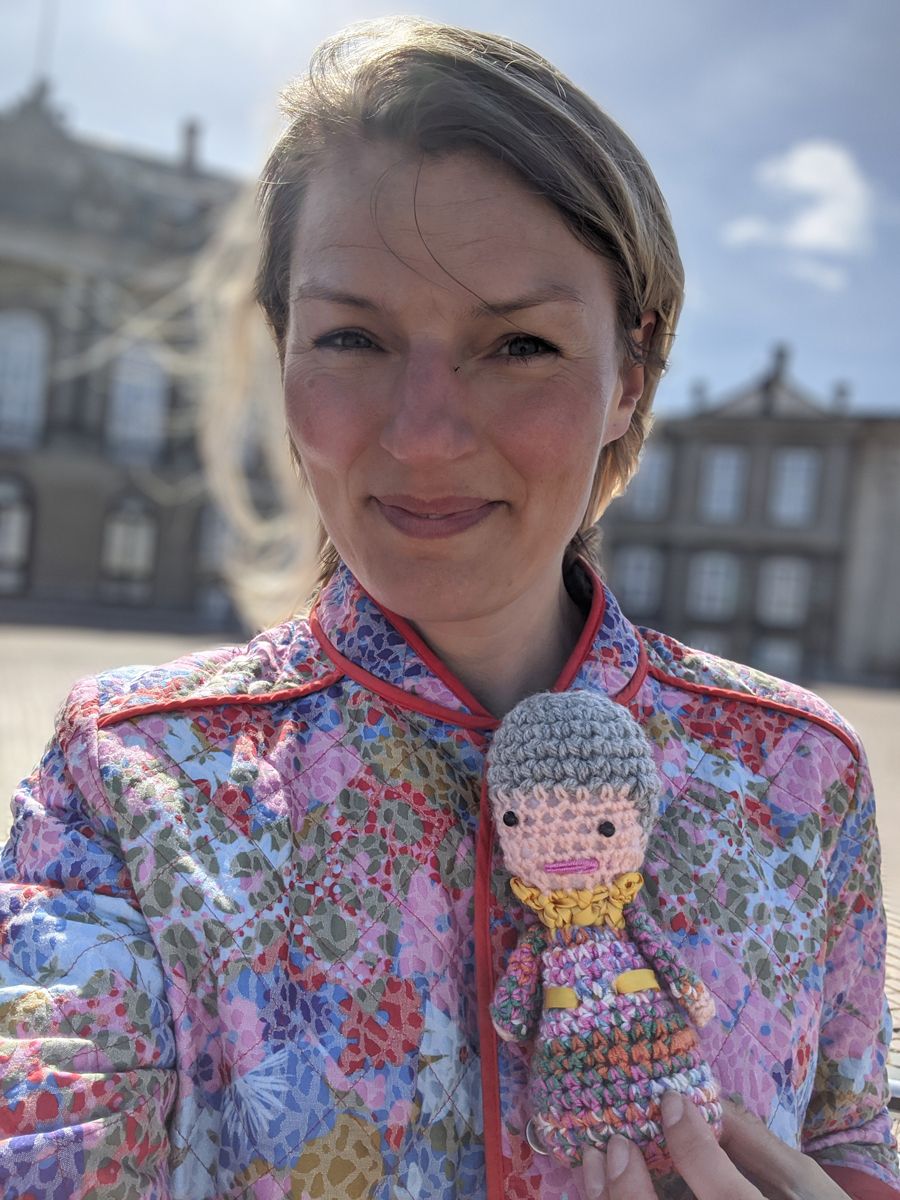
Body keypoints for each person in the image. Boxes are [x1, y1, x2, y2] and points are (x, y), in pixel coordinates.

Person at [0, 17, 896, 1200]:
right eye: (352, 337)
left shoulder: (801, 771)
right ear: (283, 359)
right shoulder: (125, 779)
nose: (422, 432)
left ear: (629, 377)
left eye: (519, 344)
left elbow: (858, 1134)